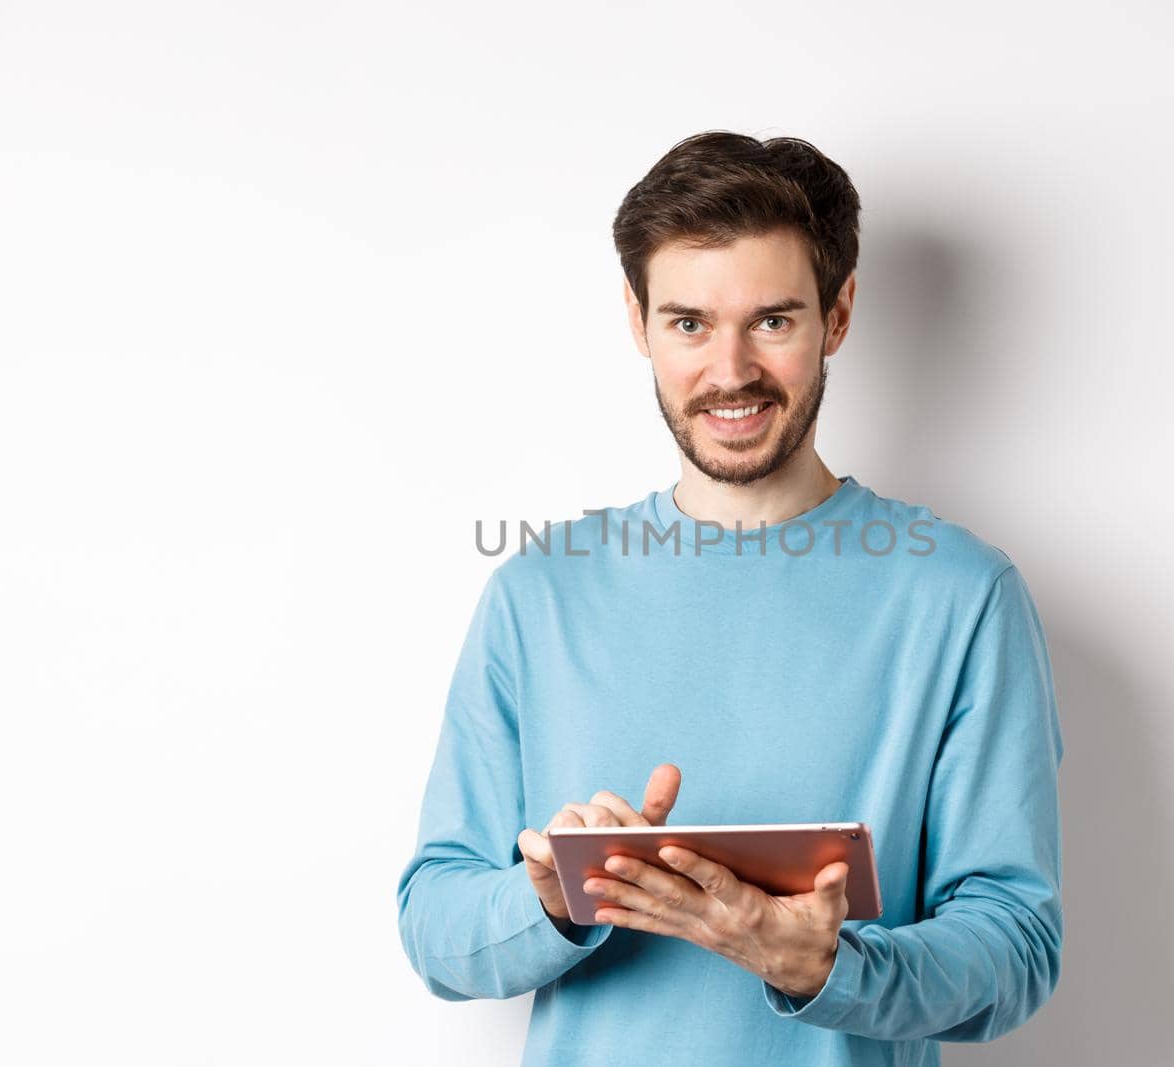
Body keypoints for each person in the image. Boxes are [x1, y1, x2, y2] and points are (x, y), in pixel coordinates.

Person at [395, 129, 1064, 1065]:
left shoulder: (961, 596)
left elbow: (1018, 944)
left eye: (773, 321)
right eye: (690, 323)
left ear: (837, 316)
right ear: (639, 322)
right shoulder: (537, 594)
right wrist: (546, 896)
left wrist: (826, 965)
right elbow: (435, 925)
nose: (731, 371)